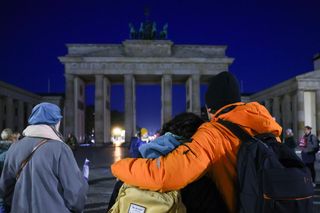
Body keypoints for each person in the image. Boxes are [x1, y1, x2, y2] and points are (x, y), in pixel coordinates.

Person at [111, 71, 282, 213]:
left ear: (209, 109)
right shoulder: (269, 129)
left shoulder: (213, 133)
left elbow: (165, 174)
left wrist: (119, 167)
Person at [0, 102, 88, 213]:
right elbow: (76, 193)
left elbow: (5, 188)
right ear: (56, 122)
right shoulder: (61, 149)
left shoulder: (14, 147)